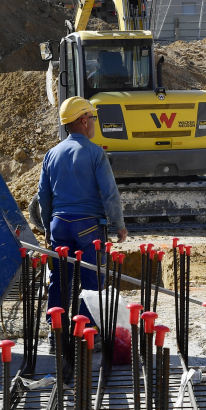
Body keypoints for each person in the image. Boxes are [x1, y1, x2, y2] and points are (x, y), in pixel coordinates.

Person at [38, 96, 128, 320]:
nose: (95, 122)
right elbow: (109, 193)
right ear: (84, 120)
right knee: (91, 281)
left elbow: (43, 196)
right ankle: (87, 332)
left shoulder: (51, 154)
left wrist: (48, 227)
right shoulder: (95, 153)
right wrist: (119, 225)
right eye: (93, 117)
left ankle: (56, 333)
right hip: (88, 227)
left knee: (59, 280)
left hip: (59, 225)